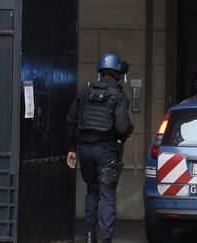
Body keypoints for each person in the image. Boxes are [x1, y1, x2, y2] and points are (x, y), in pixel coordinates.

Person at [66, 53, 134, 243]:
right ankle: (106, 239)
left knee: (92, 190)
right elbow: (122, 127)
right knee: (107, 193)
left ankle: (89, 235)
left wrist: (72, 147)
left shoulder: (84, 92)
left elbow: (70, 121)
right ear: (119, 74)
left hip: (84, 150)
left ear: (101, 73)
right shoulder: (119, 96)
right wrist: (130, 128)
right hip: (105, 151)